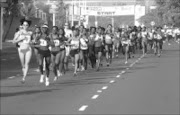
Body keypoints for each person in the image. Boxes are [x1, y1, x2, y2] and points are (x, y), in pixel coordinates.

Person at [13, 18, 33, 83]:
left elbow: (32, 41)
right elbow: (13, 41)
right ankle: (23, 74)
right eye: (24, 25)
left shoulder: (30, 33)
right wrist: (20, 39)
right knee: (23, 65)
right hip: (21, 48)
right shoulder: (19, 32)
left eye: (26, 25)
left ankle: (23, 78)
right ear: (22, 25)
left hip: (28, 48)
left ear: (28, 26)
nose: (25, 26)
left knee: (27, 63)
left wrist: (33, 42)